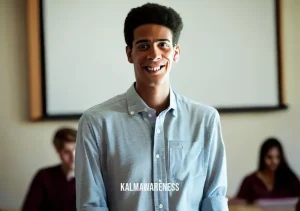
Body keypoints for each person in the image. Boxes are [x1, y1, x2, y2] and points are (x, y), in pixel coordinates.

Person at [75, 3, 228, 211]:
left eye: (163, 44)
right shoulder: (97, 123)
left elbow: (214, 198)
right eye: (143, 46)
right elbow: (91, 205)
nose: (154, 55)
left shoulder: (205, 120)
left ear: (176, 53)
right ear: (129, 53)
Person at [22, 127, 77, 211]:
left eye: (76, 150)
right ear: (58, 151)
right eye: (66, 152)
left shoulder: (95, 177)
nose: (73, 157)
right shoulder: (44, 176)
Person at [235, 137, 300, 204]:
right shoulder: (250, 181)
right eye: (269, 157)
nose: (274, 161)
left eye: (278, 157)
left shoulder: (291, 180)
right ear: (262, 157)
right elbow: (239, 204)